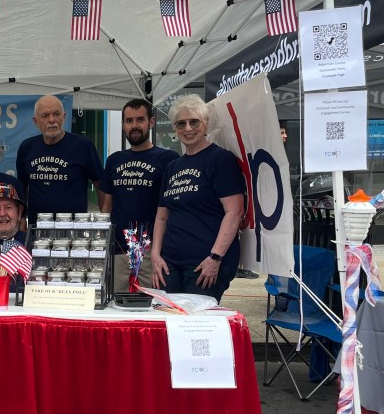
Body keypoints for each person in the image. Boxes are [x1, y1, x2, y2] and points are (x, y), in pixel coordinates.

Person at [151, 94, 245, 303]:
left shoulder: (220, 159)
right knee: (166, 316)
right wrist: (155, 256)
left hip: (205, 264)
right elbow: (161, 217)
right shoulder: (172, 167)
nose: (188, 128)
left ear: (206, 124)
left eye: (194, 122)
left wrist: (215, 258)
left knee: (196, 319)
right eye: (181, 123)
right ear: (175, 128)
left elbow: (234, 211)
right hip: (170, 263)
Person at [97, 99, 177, 291]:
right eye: (129, 120)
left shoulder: (169, 160)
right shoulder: (114, 160)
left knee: (152, 304)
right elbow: (106, 207)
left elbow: (172, 209)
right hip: (118, 249)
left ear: (151, 122)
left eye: (140, 120)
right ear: (123, 124)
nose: (134, 125)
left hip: (152, 252)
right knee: (116, 304)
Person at [16, 94, 103, 222]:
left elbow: (101, 185)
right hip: (38, 228)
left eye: (56, 114)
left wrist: (105, 217)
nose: (52, 120)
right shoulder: (27, 147)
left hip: (74, 228)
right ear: (36, 121)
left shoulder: (83, 146)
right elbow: (21, 189)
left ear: (64, 116)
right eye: (45, 115)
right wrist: (22, 219)